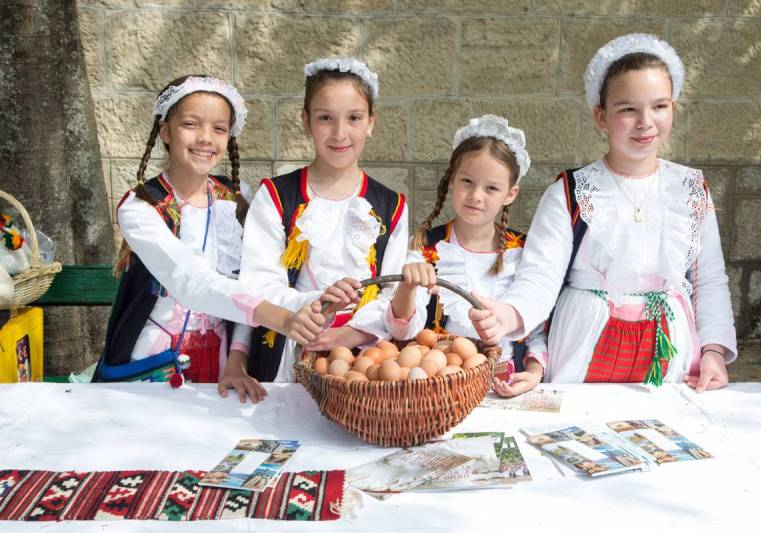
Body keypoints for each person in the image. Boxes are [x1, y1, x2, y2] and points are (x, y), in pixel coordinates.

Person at [469, 34, 736, 392]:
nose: (645, 122)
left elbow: (709, 281)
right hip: (584, 343)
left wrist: (714, 350)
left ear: (673, 108)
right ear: (601, 117)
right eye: (627, 109)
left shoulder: (690, 190)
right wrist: (509, 314)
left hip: (669, 349)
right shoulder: (569, 192)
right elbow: (541, 276)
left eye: (659, 106)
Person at [97, 75, 329, 401]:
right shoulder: (141, 207)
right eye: (191, 124)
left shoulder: (236, 199)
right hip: (150, 364)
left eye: (219, 128)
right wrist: (279, 317)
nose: (206, 138)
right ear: (165, 131)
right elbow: (189, 279)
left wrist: (237, 359)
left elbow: (249, 280)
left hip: (223, 362)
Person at [239, 58, 408, 382]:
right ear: (306, 121)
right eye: (325, 118)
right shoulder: (277, 196)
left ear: (371, 122)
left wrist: (349, 336)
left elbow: (392, 293)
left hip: (366, 360)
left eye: (354, 118)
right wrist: (317, 303)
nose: (340, 133)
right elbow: (257, 285)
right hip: (291, 351)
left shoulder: (391, 205)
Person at [385, 115, 547, 397]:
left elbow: (536, 327)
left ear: (510, 194)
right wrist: (408, 285)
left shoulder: (523, 251)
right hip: (441, 388)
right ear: (451, 182)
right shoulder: (426, 248)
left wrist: (533, 373)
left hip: (508, 388)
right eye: (467, 182)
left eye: (491, 188)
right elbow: (402, 332)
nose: (476, 195)